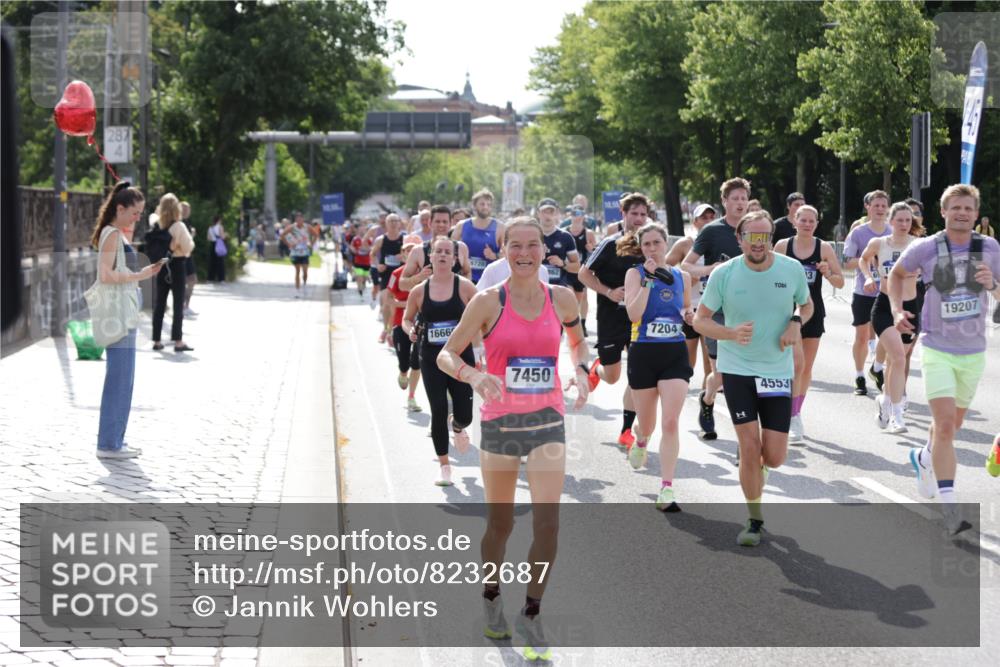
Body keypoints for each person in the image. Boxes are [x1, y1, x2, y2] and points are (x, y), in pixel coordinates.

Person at [435, 217, 589, 662]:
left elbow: (579, 342)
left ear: (544, 250)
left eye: (532, 246)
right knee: (501, 525)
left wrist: (580, 370)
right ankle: (490, 594)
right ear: (503, 251)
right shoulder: (487, 301)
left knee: (548, 524)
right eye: (515, 246)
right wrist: (474, 374)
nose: (525, 253)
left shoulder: (560, 297)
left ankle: (532, 609)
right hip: (501, 423)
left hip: (547, 421)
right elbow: (447, 353)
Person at [693, 210, 813, 546]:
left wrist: (795, 322)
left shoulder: (790, 269)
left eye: (764, 237)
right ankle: (754, 518)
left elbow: (807, 305)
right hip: (738, 369)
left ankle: (760, 470)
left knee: (774, 456)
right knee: (748, 446)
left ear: (771, 238)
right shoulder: (724, 274)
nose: (758, 243)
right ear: (739, 238)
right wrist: (729, 334)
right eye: (751, 236)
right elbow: (700, 320)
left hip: (777, 370)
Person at [893, 184, 1000, 535]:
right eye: (956, 208)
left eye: (969, 208)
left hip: (973, 352)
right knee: (943, 426)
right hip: (937, 348)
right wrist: (896, 310)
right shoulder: (926, 247)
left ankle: (924, 459)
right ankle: (951, 510)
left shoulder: (989, 247)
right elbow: (897, 275)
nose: (963, 213)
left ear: (976, 212)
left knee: (951, 429)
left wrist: (993, 285)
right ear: (944, 212)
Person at [623, 223, 694, 511]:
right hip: (644, 353)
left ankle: (666, 487)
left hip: (674, 353)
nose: (652, 248)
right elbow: (633, 313)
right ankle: (640, 440)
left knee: (671, 422)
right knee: (649, 424)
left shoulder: (682, 276)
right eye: (647, 244)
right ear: (641, 249)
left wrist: (690, 315)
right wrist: (649, 281)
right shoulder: (635, 274)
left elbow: (686, 309)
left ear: (667, 244)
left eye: (657, 242)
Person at [91, 182, 164, 458]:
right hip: (117, 315)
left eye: (141, 213)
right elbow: (106, 275)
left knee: (124, 379)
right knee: (119, 379)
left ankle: (115, 440)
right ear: (119, 209)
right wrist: (139, 276)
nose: (138, 218)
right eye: (134, 212)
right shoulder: (111, 235)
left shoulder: (115, 234)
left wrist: (143, 272)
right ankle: (109, 443)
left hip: (123, 313)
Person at [401, 237, 478, 484]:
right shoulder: (419, 290)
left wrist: (482, 346)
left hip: (460, 357)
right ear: (431, 257)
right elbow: (406, 319)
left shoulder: (466, 287)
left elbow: (484, 317)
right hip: (431, 357)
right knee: (438, 410)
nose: (443, 255)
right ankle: (444, 466)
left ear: (454, 259)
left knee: (465, 414)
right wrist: (410, 330)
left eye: (448, 252)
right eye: (438, 252)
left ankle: (458, 427)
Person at [682, 177, 751, 440]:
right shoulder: (712, 231)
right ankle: (708, 399)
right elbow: (686, 266)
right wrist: (712, 269)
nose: (740, 203)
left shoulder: (755, 228)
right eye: (734, 198)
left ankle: (743, 437)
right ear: (725, 201)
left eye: (744, 198)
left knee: (746, 371)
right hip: (719, 309)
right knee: (722, 373)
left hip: (749, 308)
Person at [578, 192, 649, 448]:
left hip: (640, 321)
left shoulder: (650, 245)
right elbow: (584, 274)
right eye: (634, 214)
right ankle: (596, 369)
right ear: (624, 214)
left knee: (638, 376)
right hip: (610, 318)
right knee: (613, 376)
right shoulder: (611, 243)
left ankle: (626, 430)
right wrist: (609, 292)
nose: (639, 219)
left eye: (643, 214)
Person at [773, 205, 844, 443]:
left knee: (805, 367)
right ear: (794, 221)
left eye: (811, 221)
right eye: (802, 220)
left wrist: (827, 273)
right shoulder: (783, 246)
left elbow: (841, 281)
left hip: (813, 311)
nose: (807, 224)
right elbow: (768, 274)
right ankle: (787, 411)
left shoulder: (823, 247)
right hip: (785, 311)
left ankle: (795, 413)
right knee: (794, 363)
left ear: (816, 223)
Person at [861, 202, 923, 434]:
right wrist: (869, 277)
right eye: (900, 220)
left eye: (908, 220)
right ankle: (898, 415)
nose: (905, 224)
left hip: (910, 307)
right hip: (885, 306)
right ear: (891, 221)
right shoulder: (879, 243)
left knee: (897, 360)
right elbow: (863, 259)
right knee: (897, 358)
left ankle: (885, 400)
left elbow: (933, 269)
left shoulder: (917, 245)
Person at [843, 190, 891, 395]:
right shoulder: (859, 233)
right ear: (868, 208)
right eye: (876, 205)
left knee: (888, 338)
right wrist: (870, 260)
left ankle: (877, 368)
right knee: (862, 336)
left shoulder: (893, 231)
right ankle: (859, 375)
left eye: (883, 205)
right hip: (864, 292)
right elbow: (846, 260)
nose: (880, 209)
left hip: (887, 293)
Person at [666, 203, 715, 391]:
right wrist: (684, 278)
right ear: (695, 222)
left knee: (710, 362)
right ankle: (677, 393)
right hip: (689, 309)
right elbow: (664, 269)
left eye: (712, 217)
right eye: (704, 218)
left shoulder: (720, 241)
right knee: (687, 361)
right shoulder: (686, 243)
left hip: (711, 310)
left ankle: (706, 401)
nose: (709, 221)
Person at [150, 194, 195, 352]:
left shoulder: (157, 225)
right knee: (178, 303)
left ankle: (156, 340)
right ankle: (178, 341)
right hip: (177, 265)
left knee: (160, 303)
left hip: (162, 265)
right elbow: (188, 247)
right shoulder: (179, 226)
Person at [387, 244, 422, 410]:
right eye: (407, 251)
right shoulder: (396, 274)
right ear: (402, 255)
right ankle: (402, 372)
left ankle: (411, 397)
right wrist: (407, 305)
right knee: (404, 363)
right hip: (401, 323)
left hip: (420, 325)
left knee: (417, 362)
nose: (410, 253)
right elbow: (389, 300)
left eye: (413, 250)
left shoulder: (426, 273)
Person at [453, 189, 505, 283]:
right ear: (474, 206)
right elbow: (450, 249)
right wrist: (460, 257)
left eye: (489, 205)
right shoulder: (461, 225)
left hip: (489, 280)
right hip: (464, 278)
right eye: (482, 204)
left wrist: (495, 255)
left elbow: (507, 254)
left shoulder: (500, 227)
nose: (485, 207)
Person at [370, 214, 406, 340]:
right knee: (386, 302)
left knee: (395, 304)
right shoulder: (381, 239)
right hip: (387, 274)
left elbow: (411, 255)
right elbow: (373, 254)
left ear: (400, 223)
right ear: (386, 223)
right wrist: (378, 265)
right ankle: (386, 329)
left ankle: (393, 330)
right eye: (390, 221)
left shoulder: (404, 238)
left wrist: (403, 257)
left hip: (401, 275)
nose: (393, 223)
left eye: (395, 221)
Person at [564, 206, 598, 336]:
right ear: (570, 216)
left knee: (583, 297)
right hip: (568, 269)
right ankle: (570, 322)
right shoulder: (565, 232)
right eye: (574, 214)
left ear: (584, 216)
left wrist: (591, 249)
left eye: (580, 214)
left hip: (582, 270)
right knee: (569, 295)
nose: (577, 217)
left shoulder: (588, 233)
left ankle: (582, 324)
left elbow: (596, 251)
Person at [537, 198, 580, 288]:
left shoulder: (566, 237)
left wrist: (562, 263)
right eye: (545, 212)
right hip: (534, 288)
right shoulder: (530, 236)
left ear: (556, 214)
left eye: (551, 212)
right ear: (538, 214)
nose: (548, 216)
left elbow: (577, 268)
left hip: (558, 288)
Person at [280, 213, 317, 298]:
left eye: (300, 219)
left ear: (303, 219)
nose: (299, 221)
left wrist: (311, 244)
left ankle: (304, 285)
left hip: (305, 252)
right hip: (295, 252)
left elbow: (315, 235)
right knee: (297, 271)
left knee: (305, 271)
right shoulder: (292, 227)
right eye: (297, 219)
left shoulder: (307, 227)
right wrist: (289, 244)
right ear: (295, 220)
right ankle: (297, 291)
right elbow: (282, 235)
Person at [179, 201, 198, 316]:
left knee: (192, 280)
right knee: (186, 281)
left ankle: (186, 306)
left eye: (188, 209)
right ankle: (182, 306)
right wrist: (192, 235)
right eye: (184, 209)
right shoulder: (179, 223)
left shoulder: (187, 222)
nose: (186, 211)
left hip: (188, 255)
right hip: (181, 256)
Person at [206, 215, 227, 282]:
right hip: (219, 244)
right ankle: (221, 278)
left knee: (212, 262)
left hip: (212, 244)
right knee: (220, 262)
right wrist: (226, 235)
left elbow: (208, 238)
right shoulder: (220, 227)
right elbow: (222, 236)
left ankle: (210, 278)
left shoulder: (210, 228)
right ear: (219, 220)